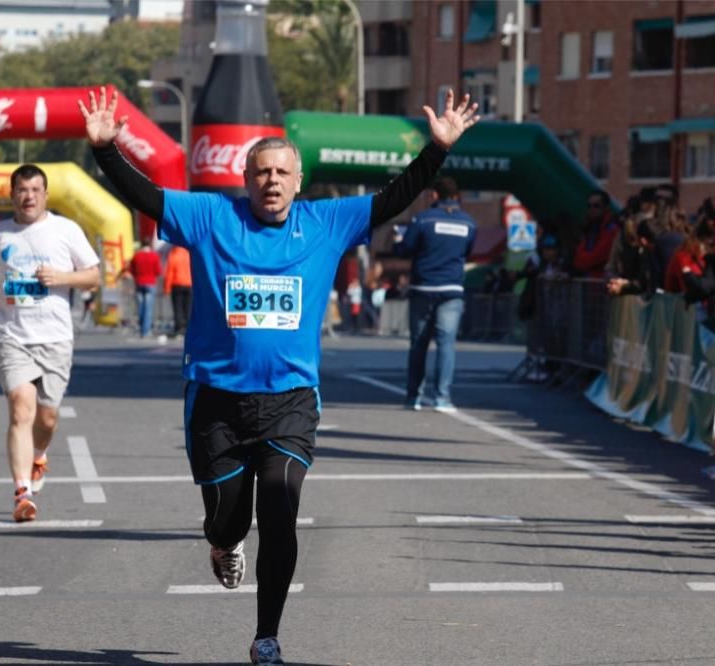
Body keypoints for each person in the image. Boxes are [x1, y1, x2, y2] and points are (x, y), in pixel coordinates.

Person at [78, 86, 479, 665]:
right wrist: (107, 152)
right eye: (261, 171)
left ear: (298, 181)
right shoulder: (212, 217)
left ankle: (266, 635)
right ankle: (221, 541)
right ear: (246, 179)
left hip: (290, 400)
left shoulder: (326, 223)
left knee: (282, 511)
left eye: (282, 172)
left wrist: (435, 150)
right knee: (230, 517)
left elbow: (394, 198)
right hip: (216, 400)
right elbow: (148, 197)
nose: (271, 181)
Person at [0, 164, 100, 523]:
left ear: (45, 195)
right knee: (20, 407)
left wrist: (63, 277)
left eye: (35, 190)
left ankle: (39, 455)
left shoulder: (65, 230)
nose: (28, 196)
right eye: (22, 190)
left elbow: (94, 275)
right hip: (13, 337)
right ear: (12, 195)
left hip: (55, 338)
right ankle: (22, 493)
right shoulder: (0, 235)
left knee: (47, 417)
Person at [393, 176, 476, 413]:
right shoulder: (469, 223)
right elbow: (467, 252)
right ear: (457, 196)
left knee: (419, 344)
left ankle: (413, 397)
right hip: (452, 290)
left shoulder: (423, 219)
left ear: (435, 195)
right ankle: (442, 397)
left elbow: (405, 249)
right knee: (446, 344)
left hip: (423, 288)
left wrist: (398, 239)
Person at [120, 239, 162, 337]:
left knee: (140, 307)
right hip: (150, 282)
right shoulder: (154, 256)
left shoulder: (137, 255)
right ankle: (146, 330)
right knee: (148, 308)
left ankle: (141, 327)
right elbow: (158, 271)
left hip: (139, 282)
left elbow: (132, 270)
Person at [163, 244, 192, 337]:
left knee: (177, 307)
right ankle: (188, 327)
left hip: (177, 284)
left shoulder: (173, 254)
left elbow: (170, 272)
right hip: (189, 284)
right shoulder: (189, 254)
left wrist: (167, 287)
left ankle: (179, 327)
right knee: (188, 307)